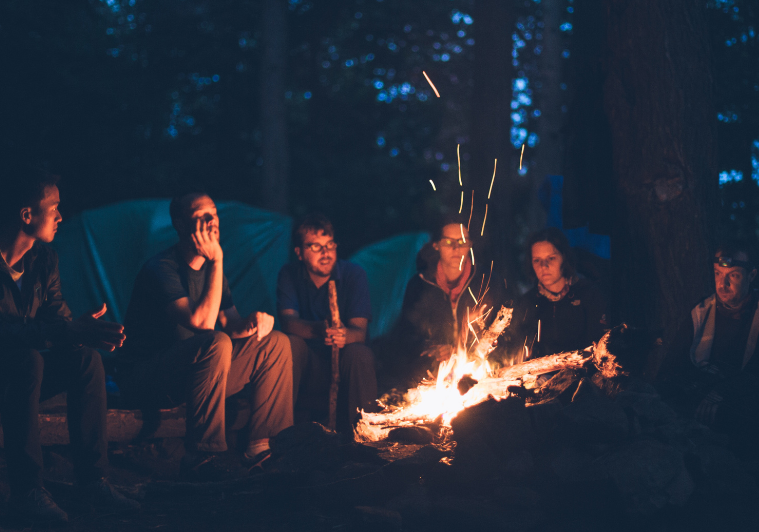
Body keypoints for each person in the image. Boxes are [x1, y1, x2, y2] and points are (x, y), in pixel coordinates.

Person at [0, 167, 139, 522]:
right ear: (27, 214)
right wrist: (63, 331)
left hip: (19, 374)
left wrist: (81, 332)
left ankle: (93, 482)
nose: (61, 216)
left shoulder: (44, 259)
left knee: (85, 360)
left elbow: (57, 318)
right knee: (27, 359)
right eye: (54, 207)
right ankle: (27, 490)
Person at [121, 192, 294, 478]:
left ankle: (262, 448)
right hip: (149, 379)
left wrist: (254, 322)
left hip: (198, 376)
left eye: (213, 214)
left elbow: (230, 322)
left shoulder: (213, 272)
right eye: (201, 216)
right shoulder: (161, 269)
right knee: (215, 341)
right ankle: (202, 455)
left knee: (275, 343)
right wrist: (217, 260)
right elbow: (201, 323)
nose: (212, 222)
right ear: (179, 224)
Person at [658, 241, 759, 459]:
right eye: (718, 274)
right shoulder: (702, 312)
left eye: (734, 276)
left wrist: (723, 393)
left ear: (751, 275)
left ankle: (754, 467)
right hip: (702, 398)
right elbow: (671, 365)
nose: (723, 284)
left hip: (744, 403)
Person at [276, 214, 378, 431]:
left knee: (359, 353)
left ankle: (363, 436)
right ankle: (279, 434)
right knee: (289, 344)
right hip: (308, 364)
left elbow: (359, 331)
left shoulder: (353, 275)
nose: (325, 253)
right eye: (315, 246)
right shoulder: (290, 274)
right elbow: (288, 322)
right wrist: (319, 330)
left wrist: (343, 335)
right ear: (299, 253)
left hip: (344, 361)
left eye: (329, 245)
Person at [389, 215, 500, 386]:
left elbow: (501, 329)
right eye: (449, 242)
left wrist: (470, 350)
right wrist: (431, 347)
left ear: (470, 245)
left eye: (462, 242)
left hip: (478, 368)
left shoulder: (485, 282)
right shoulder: (420, 285)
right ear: (436, 245)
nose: (456, 248)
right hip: (434, 373)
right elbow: (406, 336)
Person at [497, 228, 609, 363]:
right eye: (537, 260)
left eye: (551, 258)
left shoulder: (589, 295)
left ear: (564, 257)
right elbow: (513, 348)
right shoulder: (527, 304)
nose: (544, 266)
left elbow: (601, 346)